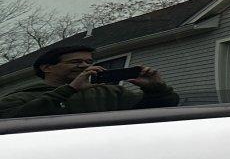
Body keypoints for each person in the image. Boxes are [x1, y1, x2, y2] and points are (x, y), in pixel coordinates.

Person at [0, 45, 180, 119]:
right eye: (76, 62)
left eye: (88, 62)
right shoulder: (23, 96)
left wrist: (156, 89)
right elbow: (10, 119)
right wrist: (70, 89)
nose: (84, 66)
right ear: (47, 68)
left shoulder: (110, 92)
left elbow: (157, 112)